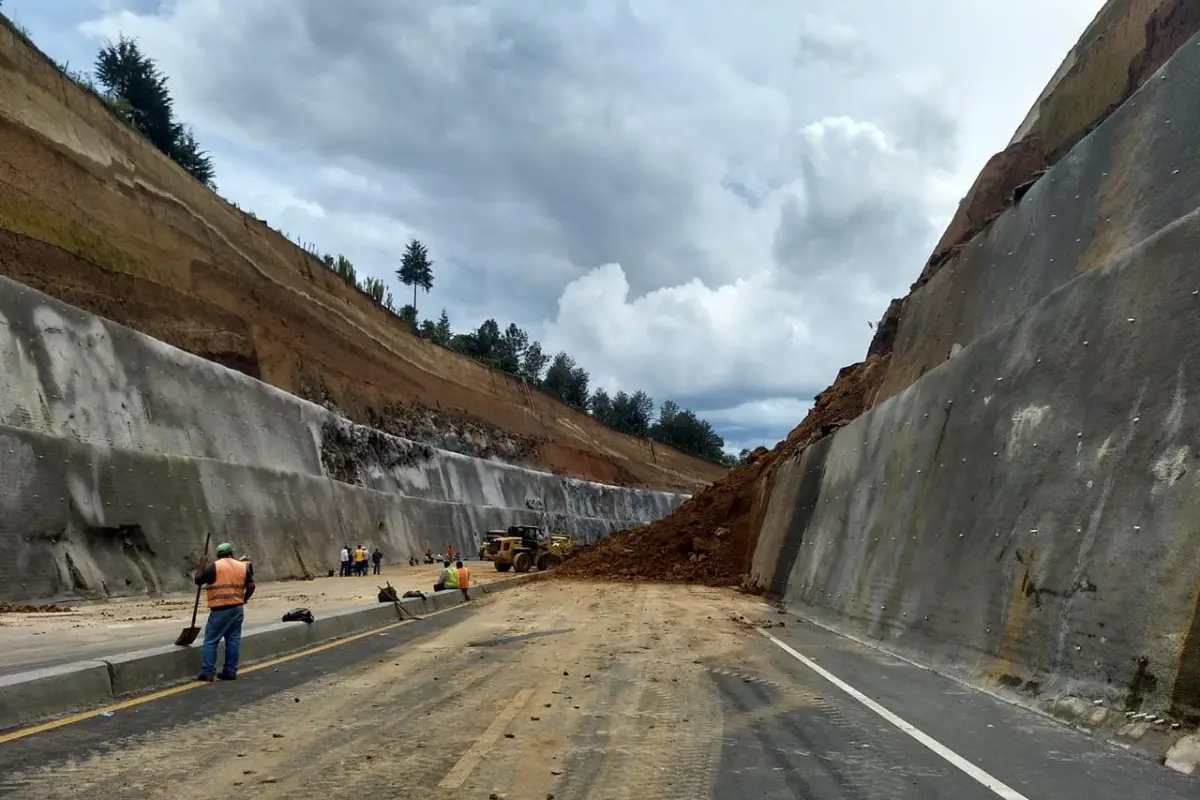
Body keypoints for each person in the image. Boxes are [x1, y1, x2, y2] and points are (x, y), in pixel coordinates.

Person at [195, 541, 255, 682]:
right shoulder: (242, 566)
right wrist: (244, 599)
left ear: (218, 555)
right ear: (231, 553)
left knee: (211, 641)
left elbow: (198, 580)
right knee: (233, 641)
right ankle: (230, 671)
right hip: (237, 609)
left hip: (220, 609)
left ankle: (208, 672)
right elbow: (251, 586)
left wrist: (202, 564)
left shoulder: (215, 566)